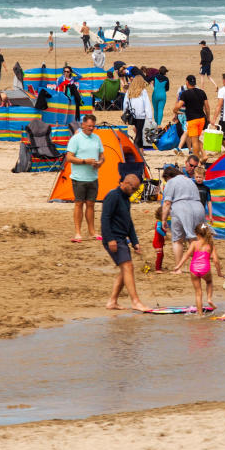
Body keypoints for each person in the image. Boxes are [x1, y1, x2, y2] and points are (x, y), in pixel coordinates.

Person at [101, 174, 150, 312]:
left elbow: (129, 222)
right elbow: (105, 218)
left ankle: (112, 301)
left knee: (125, 269)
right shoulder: (113, 195)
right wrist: (110, 239)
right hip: (113, 238)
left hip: (122, 238)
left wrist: (135, 242)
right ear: (126, 184)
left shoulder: (126, 199)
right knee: (128, 266)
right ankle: (135, 301)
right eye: (134, 189)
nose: (134, 192)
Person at [160, 166, 208, 272]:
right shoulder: (190, 181)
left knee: (177, 240)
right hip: (198, 208)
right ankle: (198, 267)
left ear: (169, 176)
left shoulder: (171, 182)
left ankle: (178, 268)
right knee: (195, 238)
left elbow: (167, 203)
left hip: (181, 209)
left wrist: (163, 219)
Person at [65, 114, 105, 242]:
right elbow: (69, 157)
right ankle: (77, 233)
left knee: (91, 204)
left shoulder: (97, 138)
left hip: (93, 177)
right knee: (78, 204)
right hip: (79, 178)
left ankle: (92, 232)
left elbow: (102, 155)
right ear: (83, 125)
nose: (91, 128)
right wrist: (84, 161)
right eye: (89, 126)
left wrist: (100, 162)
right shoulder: (76, 139)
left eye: (93, 126)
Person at [173, 223, 223, 312]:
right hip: (205, 268)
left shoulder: (194, 243)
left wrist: (178, 266)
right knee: (209, 282)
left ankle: (199, 314)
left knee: (198, 293)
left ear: (197, 234)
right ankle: (209, 299)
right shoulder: (211, 245)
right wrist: (219, 272)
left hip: (194, 269)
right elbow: (216, 261)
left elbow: (186, 255)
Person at [174, 75, 211, 160]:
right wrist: (208, 118)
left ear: (187, 82)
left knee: (194, 141)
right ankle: (204, 155)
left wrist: (175, 111)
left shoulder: (185, 94)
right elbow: (207, 107)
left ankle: (196, 160)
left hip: (192, 120)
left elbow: (178, 105)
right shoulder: (202, 92)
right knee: (197, 139)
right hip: (202, 119)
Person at [124, 75, 154, 148]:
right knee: (139, 133)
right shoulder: (143, 91)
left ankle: (141, 151)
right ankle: (135, 148)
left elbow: (125, 103)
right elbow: (147, 104)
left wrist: (124, 113)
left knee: (138, 131)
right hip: (141, 115)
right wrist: (150, 117)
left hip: (132, 115)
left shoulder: (129, 91)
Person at [151, 206, 169, 273]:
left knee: (161, 255)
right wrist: (164, 235)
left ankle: (159, 267)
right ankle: (157, 269)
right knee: (159, 254)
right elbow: (158, 229)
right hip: (157, 242)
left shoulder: (162, 222)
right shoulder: (159, 222)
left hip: (160, 241)